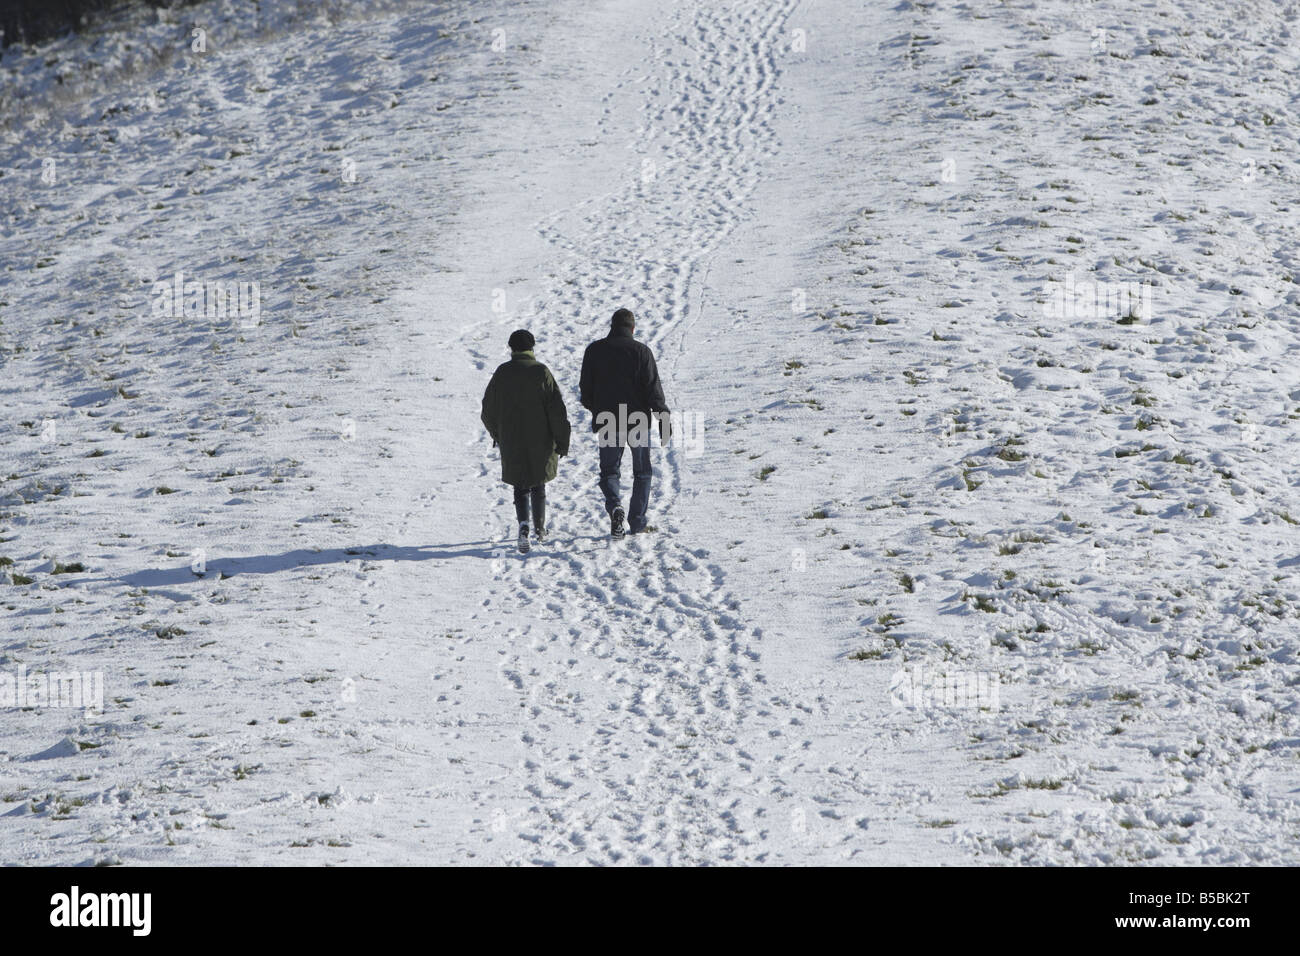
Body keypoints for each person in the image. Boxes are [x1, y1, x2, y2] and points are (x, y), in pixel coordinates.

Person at [579, 308, 670, 538]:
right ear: (632, 328)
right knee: (642, 473)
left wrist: (597, 409)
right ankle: (637, 522)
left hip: (608, 419)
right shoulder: (642, 352)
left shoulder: (594, 351)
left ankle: (615, 507)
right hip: (637, 421)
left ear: (612, 325)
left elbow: (585, 389)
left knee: (610, 471)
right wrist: (663, 417)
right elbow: (653, 389)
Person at [481, 329, 570, 553]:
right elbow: (557, 412)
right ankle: (539, 528)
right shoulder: (541, 372)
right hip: (541, 440)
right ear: (532, 347)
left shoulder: (502, 373)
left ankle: (523, 526)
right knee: (538, 483)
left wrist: (498, 434)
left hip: (512, 440)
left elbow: (487, 410)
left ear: (511, 348)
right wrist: (562, 440)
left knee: (520, 485)